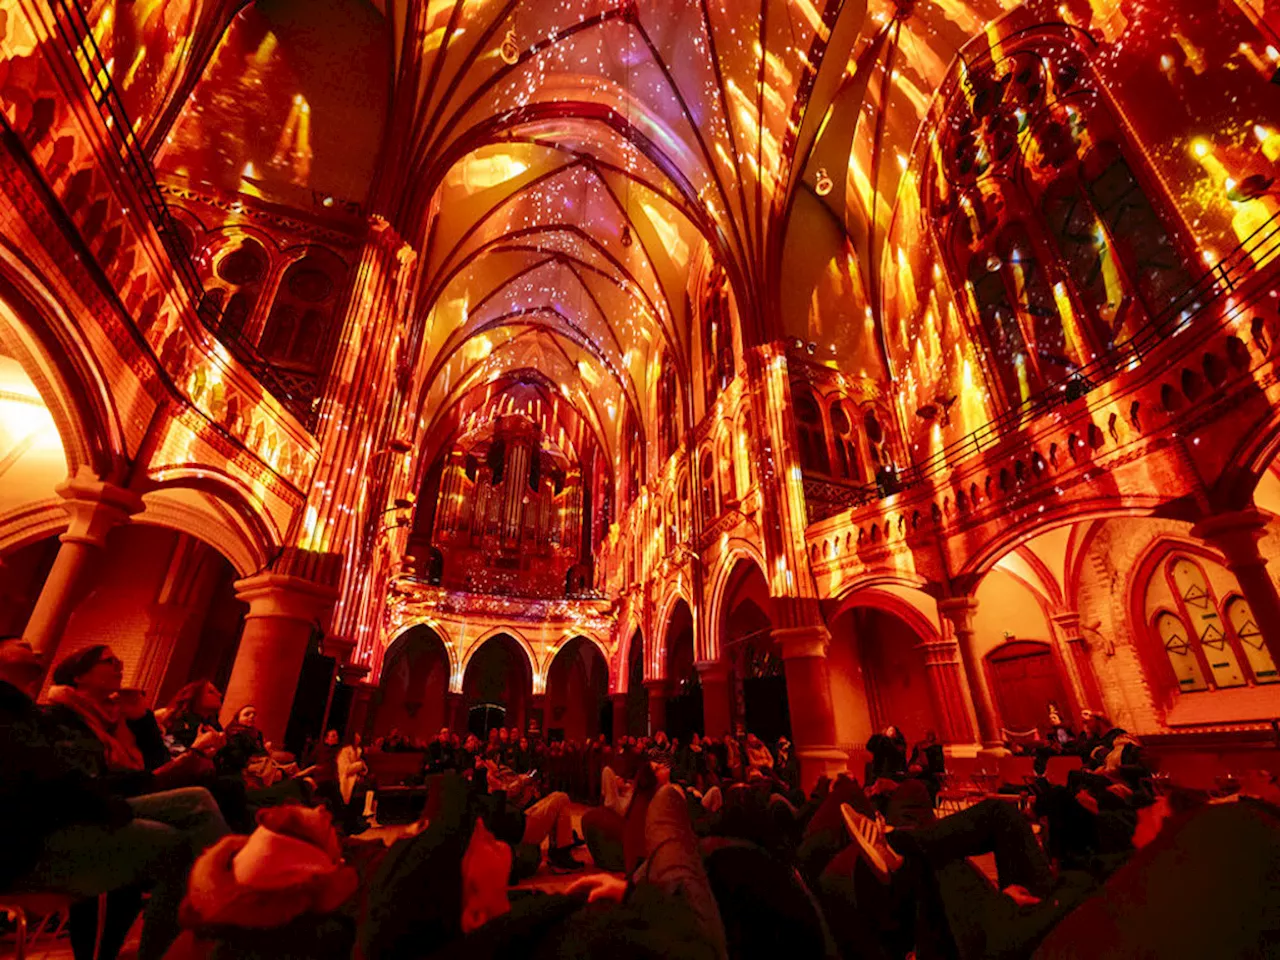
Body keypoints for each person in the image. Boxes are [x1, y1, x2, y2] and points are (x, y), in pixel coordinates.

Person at [0, 636, 225, 960]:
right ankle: (224, 922)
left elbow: (135, 767)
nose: (36, 650)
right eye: (109, 662)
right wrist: (110, 806)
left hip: (74, 808)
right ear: (79, 675)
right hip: (30, 835)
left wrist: (143, 721)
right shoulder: (51, 716)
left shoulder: (93, 716)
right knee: (184, 828)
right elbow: (54, 778)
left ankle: (222, 920)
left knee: (202, 800)